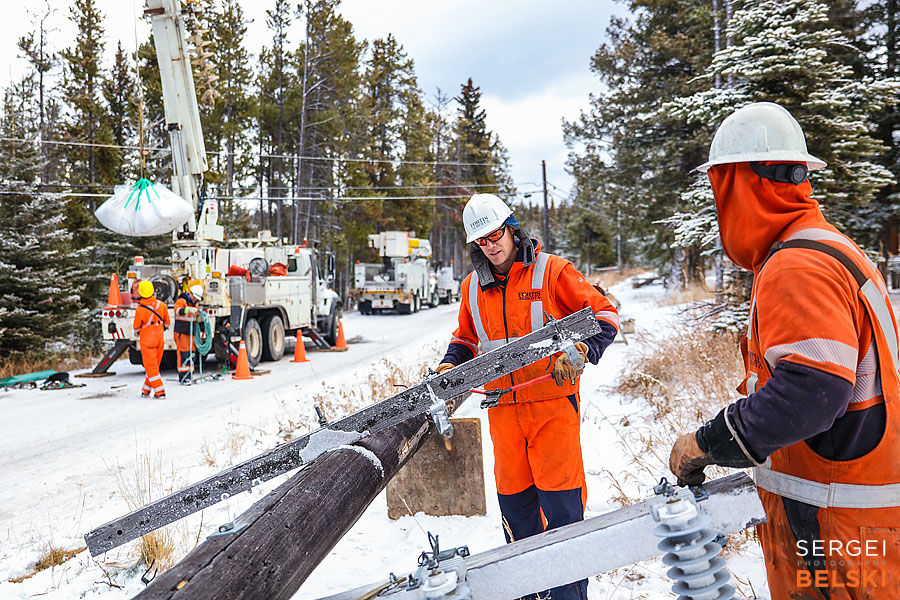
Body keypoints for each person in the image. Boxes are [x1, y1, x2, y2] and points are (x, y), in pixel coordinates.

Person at [668, 102, 900, 599]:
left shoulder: (797, 264)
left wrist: (707, 441)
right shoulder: (825, 246)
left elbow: (813, 390)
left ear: (739, 185)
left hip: (836, 534)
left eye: (718, 189)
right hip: (850, 521)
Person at [436, 194, 619, 600]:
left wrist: (583, 350)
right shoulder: (471, 288)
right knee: (518, 522)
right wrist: (451, 364)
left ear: (512, 227)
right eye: (481, 241)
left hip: (552, 412)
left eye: (496, 234)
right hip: (503, 418)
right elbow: (466, 339)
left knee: (563, 522)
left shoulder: (552, 271)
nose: (491, 245)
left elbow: (604, 315)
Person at [133, 280, 171, 398]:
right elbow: (167, 323)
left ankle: (160, 391)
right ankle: (146, 390)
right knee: (154, 367)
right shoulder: (162, 306)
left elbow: (136, 326)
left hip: (147, 341)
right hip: (159, 339)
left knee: (151, 368)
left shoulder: (140, 309)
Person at [173, 284, 204, 384]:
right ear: (190, 294)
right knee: (183, 354)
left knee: (191, 354)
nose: (195, 300)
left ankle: (189, 375)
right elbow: (177, 311)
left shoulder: (195, 304)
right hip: (182, 332)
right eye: (194, 297)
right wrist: (187, 310)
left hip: (191, 332)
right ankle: (183, 376)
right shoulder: (182, 301)